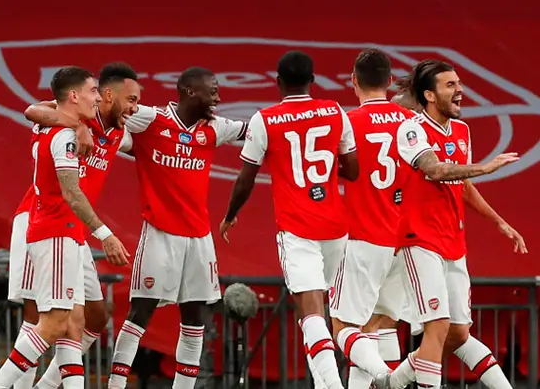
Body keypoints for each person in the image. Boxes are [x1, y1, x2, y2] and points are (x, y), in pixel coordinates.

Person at [219, 50, 361, 389]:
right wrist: (325, 168)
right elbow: (353, 170)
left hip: (298, 227)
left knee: (310, 312)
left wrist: (230, 215)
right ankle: (327, 384)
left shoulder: (265, 119)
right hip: (335, 227)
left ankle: (333, 387)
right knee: (326, 312)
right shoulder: (335, 111)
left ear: (278, 82)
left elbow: (246, 178)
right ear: (312, 80)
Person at [0, 66, 130, 389]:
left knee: (82, 319)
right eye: (131, 99)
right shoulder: (63, 127)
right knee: (44, 319)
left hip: (70, 228)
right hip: (45, 222)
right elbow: (33, 110)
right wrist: (76, 125)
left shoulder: (112, 130)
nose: (135, 107)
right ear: (107, 96)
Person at [107, 67, 247, 389]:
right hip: (160, 234)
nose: (218, 98)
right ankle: (115, 386)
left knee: (195, 321)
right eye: (212, 91)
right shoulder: (151, 119)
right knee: (140, 314)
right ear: (190, 91)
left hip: (199, 239)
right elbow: (108, 113)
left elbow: (256, 129)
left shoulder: (215, 128)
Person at [387, 60, 521, 389]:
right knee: (437, 326)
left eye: (459, 83)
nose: (460, 90)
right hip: (419, 239)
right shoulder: (412, 129)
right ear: (429, 95)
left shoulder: (462, 131)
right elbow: (435, 170)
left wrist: (499, 221)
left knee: (459, 332)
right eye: (451, 85)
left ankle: (393, 382)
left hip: (453, 240)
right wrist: (485, 167)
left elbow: (462, 186)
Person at [327, 49, 417, 389]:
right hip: (402, 240)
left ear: (353, 80)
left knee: (343, 327)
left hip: (362, 237)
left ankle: (387, 378)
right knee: (379, 326)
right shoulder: (411, 124)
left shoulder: (347, 123)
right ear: (390, 81)